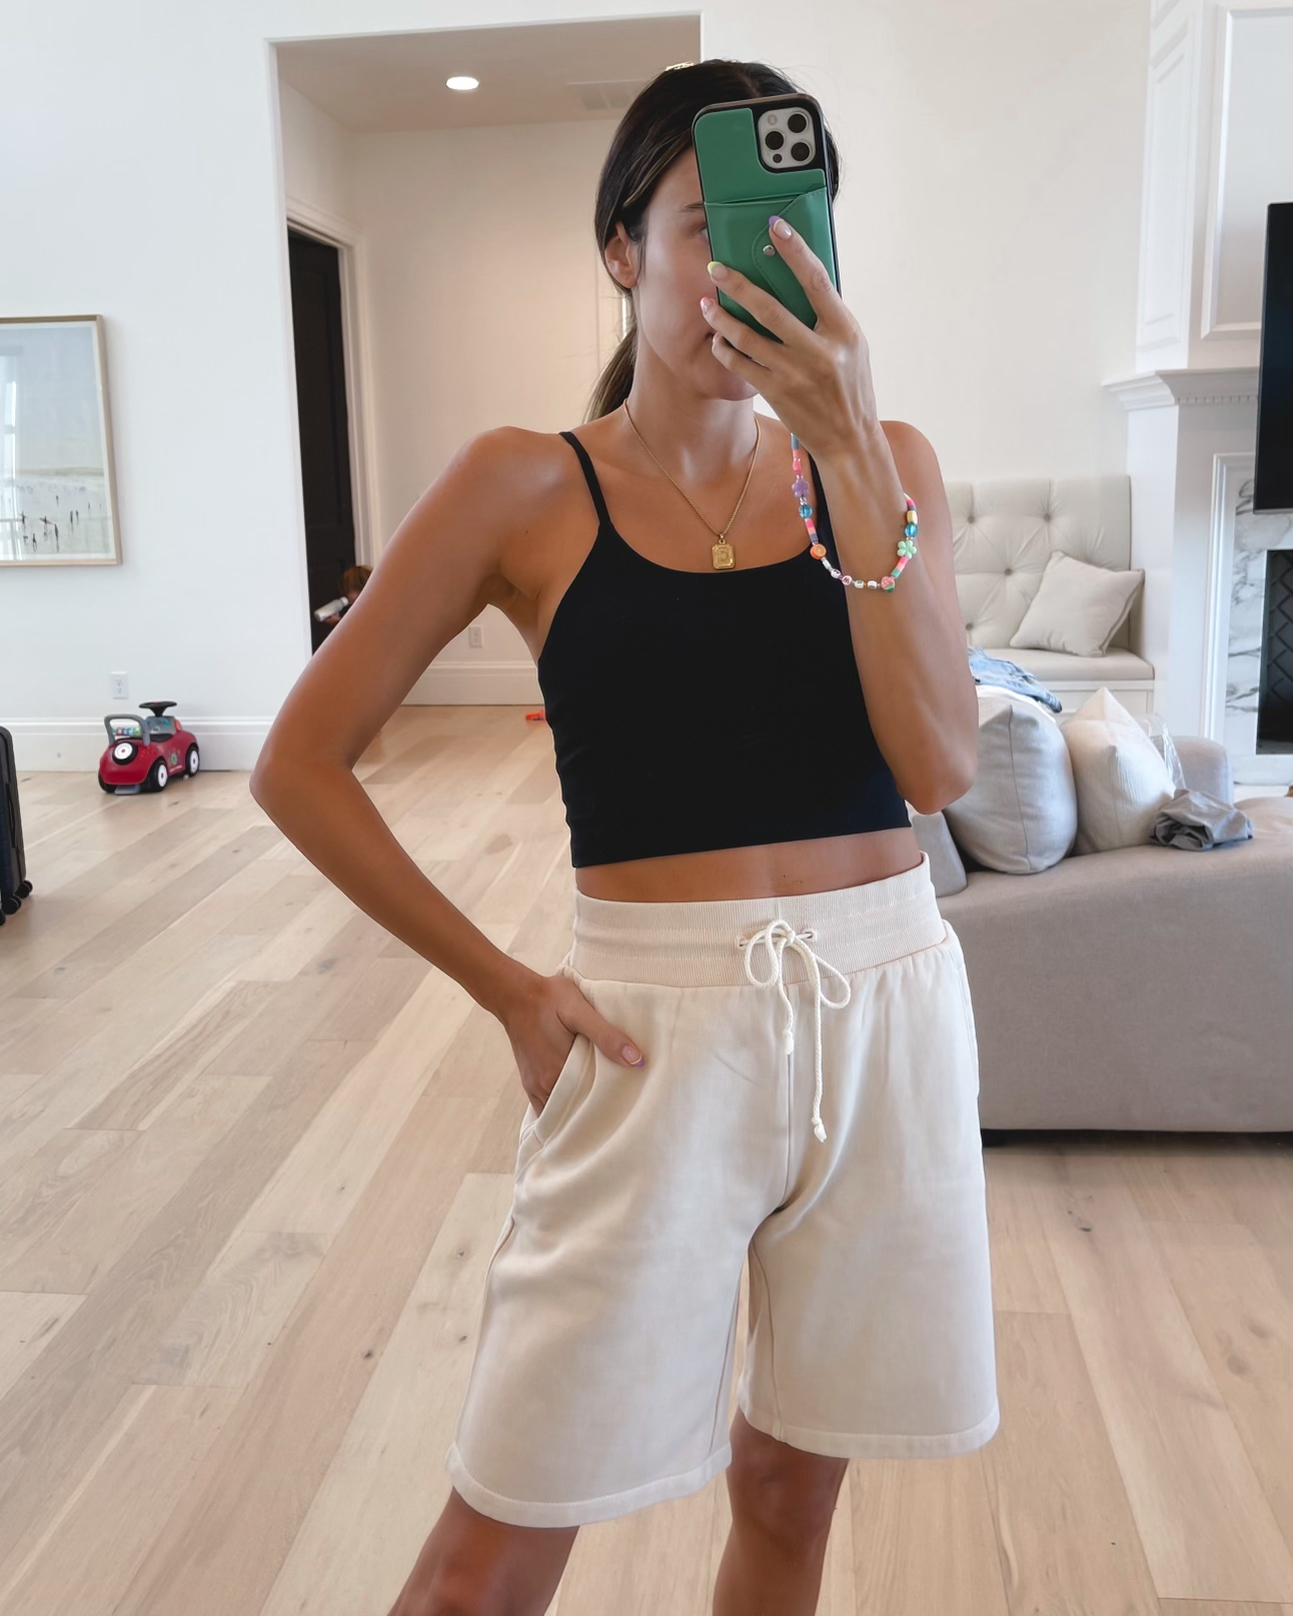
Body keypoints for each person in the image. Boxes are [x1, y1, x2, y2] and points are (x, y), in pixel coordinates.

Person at [250, 56, 998, 1616]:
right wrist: (508, 989)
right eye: (709, 224)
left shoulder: (889, 464)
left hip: (886, 1010)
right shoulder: (522, 484)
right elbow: (299, 763)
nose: (756, 263)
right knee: (487, 1558)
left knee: (790, 1490)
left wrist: (850, 455)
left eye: (792, 226)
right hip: (654, 1033)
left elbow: (935, 767)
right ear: (620, 252)